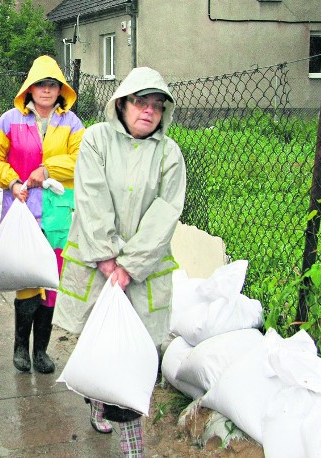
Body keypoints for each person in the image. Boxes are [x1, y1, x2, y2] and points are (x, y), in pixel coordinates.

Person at [61, 67, 186, 456]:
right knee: (100, 346)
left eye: (156, 106)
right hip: (99, 268)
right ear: (122, 104)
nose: (148, 111)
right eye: (140, 102)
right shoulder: (96, 140)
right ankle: (98, 405)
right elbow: (91, 200)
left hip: (142, 275)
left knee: (134, 360)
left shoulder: (169, 154)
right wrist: (106, 258)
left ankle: (133, 449)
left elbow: (165, 214)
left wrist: (129, 265)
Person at [0, 55, 84, 374]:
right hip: (23, 211)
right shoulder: (9, 120)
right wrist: (12, 181)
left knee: (50, 284)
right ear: (30, 88)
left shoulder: (72, 123)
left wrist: (49, 168)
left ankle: (41, 350)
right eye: (40, 84)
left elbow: (83, 158)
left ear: (60, 90)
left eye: (52, 85)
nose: (46, 90)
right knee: (27, 281)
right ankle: (20, 348)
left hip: (57, 217)